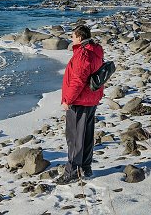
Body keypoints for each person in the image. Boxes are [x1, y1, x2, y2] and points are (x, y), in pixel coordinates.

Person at [56, 25, 104, 184]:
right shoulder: (95, 50)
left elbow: (77, 81)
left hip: (80, 101)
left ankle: (72, 172)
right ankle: (86, 167)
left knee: (75, 137)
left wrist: (67, 100)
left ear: (80, 37)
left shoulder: (83, 54)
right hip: (91, 100)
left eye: (73, 36)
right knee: (87, 135)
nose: (71, 39)